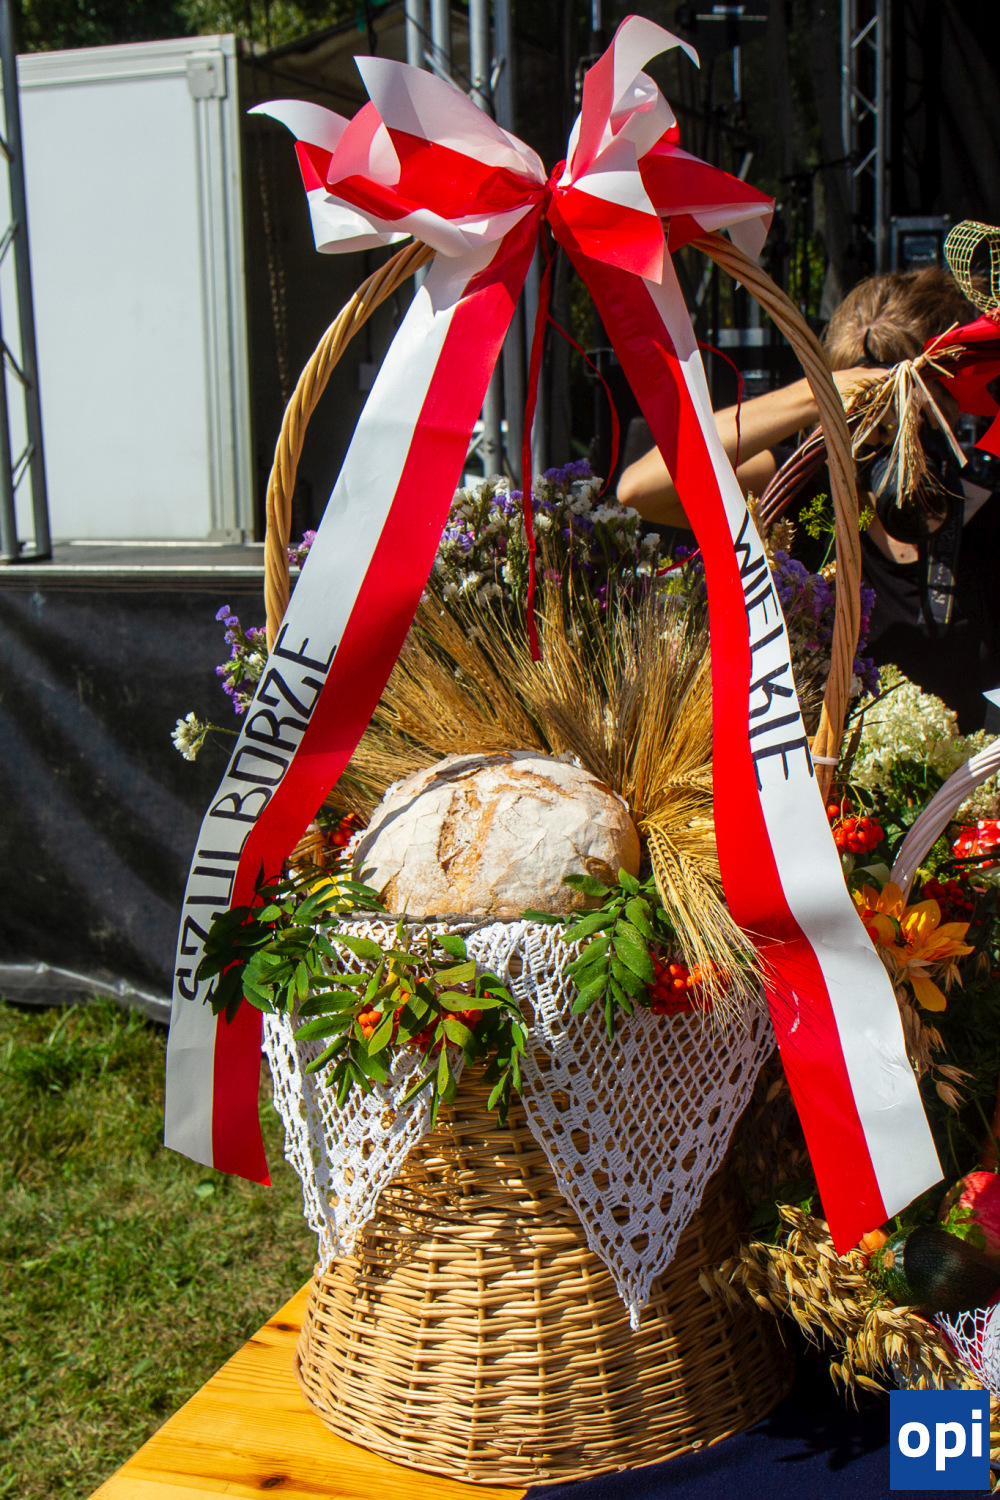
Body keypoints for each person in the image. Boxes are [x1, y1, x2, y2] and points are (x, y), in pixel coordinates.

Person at [617, 267, 1000, 728]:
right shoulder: (797, 493)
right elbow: (642, 489)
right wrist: (813, 394)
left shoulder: (987, 524)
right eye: (865, 416)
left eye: (912, 414)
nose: (890, 439)